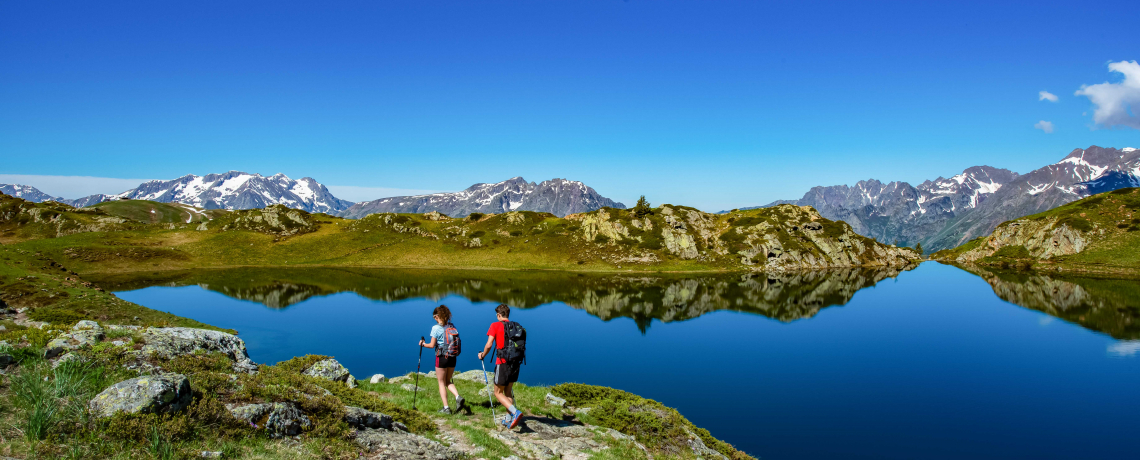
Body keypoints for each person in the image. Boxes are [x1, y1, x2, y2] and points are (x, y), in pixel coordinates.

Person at [478, 304, 523, 428]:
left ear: (499, 315)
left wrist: (482, 355)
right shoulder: (516, 326)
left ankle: (515, 412)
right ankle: (508, 419)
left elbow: (489, 344)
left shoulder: (495, 325)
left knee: (498, 393)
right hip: (515, 362)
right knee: (508, 392)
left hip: (502, 362)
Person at [419, 305, 465, 414]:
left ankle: (446, 408)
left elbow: (431, 345)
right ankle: (458, 397)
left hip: (441, 357)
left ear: (436, 316)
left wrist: (422, 344)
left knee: (441, 382)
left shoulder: (436, 328)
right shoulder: (452, 326)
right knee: (448, 381)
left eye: (434, 317)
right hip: (452, 357)